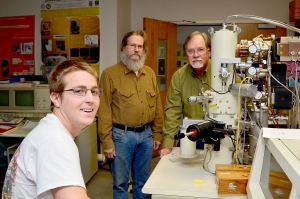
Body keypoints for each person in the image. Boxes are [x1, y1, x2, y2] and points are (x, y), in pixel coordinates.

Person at [2, 60, 101, 199]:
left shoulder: (50, 130)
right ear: (56, 98)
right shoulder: (55, 141)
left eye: (94, 91)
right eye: (79, 91)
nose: (91, 99)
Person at [98, 30, 164, 199]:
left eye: (140, 46)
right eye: (132, 45)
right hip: (121, 137)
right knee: (120, 184)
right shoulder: (109, 74)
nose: (136, 50)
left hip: (146, 135)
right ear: (124, 47)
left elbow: (157, 105)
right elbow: (104, 110)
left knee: (143, 182)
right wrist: (107, 141)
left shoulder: (149, 73)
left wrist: (157, 133)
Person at [159, 31, 212, 158]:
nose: (196, 55)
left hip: (217, 136)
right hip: (191, 134)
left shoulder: (223, 73)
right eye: (190, 51)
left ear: (209, 51)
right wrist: (167, 144)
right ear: (186, 54)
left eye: (200, 50)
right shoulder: (179, 76)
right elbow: (173, 112)